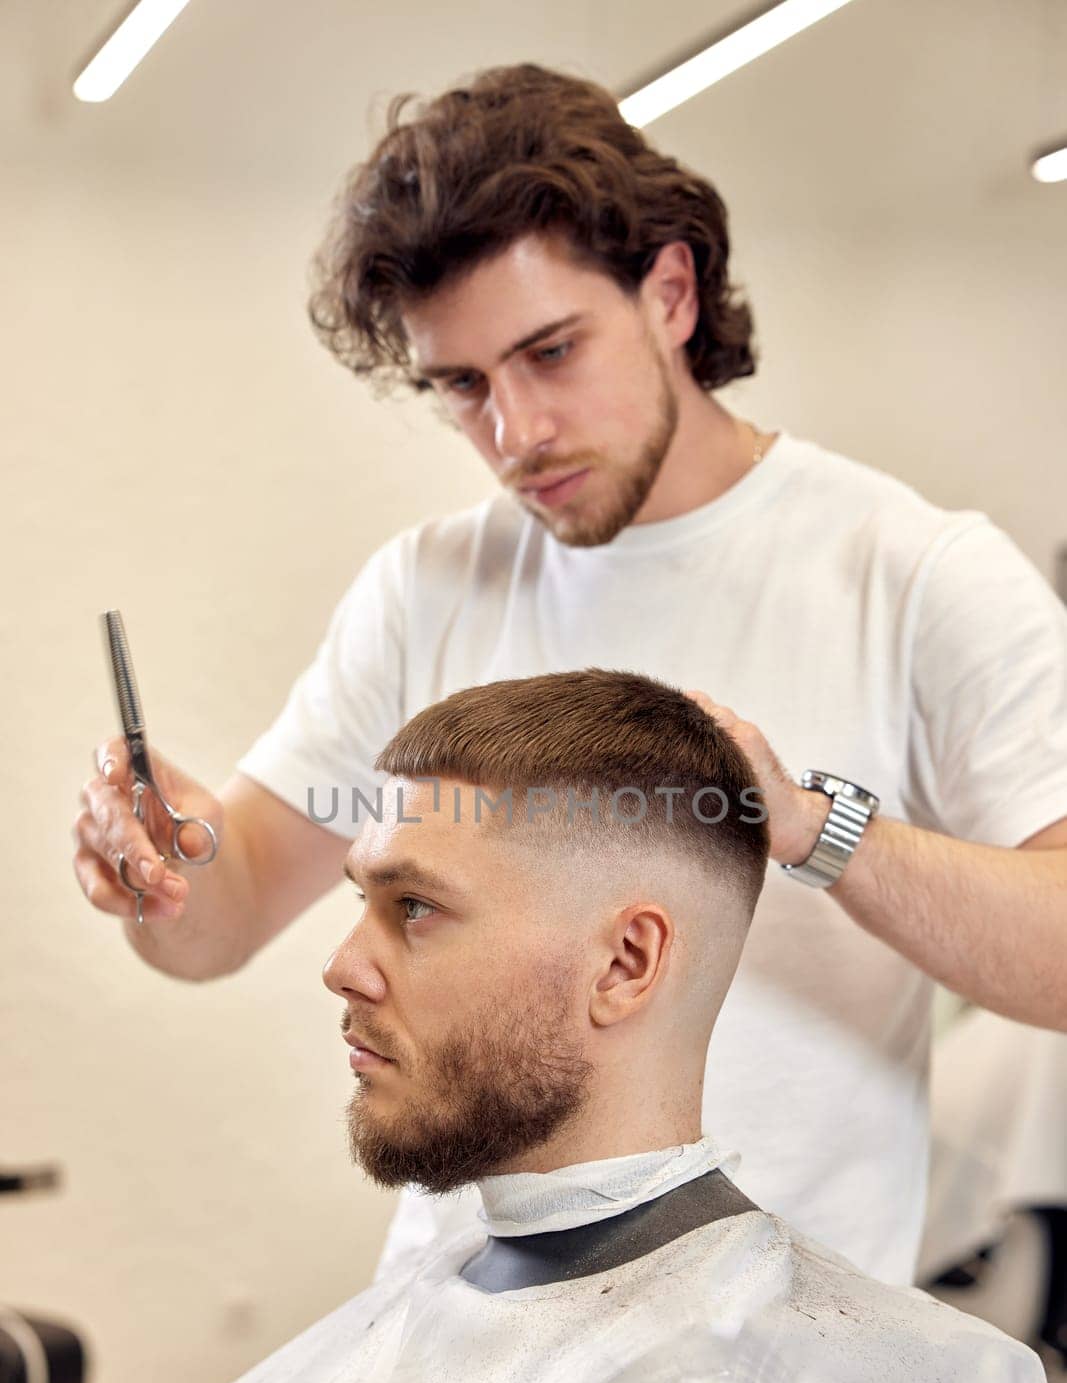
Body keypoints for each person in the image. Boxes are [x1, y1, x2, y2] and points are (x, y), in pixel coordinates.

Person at [72, 63, 1067, 1287]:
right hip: (467, 1328)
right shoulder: (426, 585)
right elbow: (223, 918)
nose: (513, 431)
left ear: (668, 292)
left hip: (773, 1355)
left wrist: (811, 828)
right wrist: (163, 865)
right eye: (462, 386)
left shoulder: (913, 574)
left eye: (550, 352)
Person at [22, 672, 1067, 1383]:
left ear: (622, 964)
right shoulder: (437, 1305)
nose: (341, 964)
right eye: (361, 900)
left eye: (414, 906)